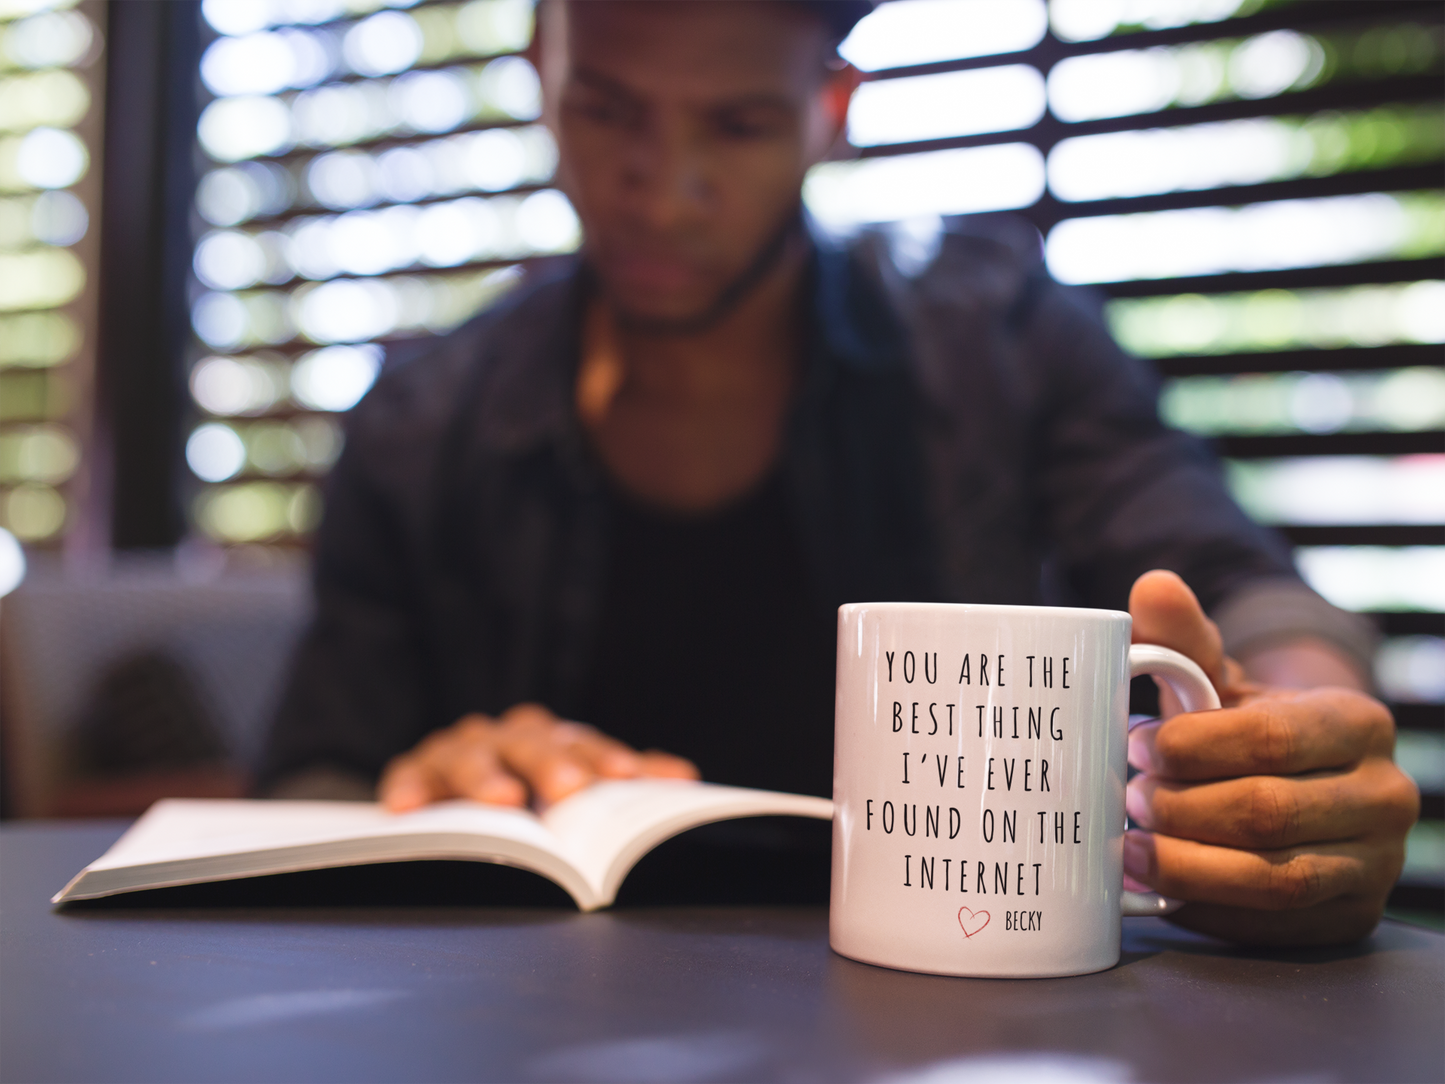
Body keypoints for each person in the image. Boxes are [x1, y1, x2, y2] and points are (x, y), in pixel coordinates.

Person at [260, 0, 1418, 945]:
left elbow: (1238, 587)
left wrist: (1288, 740)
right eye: (606, 111)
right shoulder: (420, 423)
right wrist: (416, 797)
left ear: (829, 112)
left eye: (737, 125)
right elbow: (311, 775)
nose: (662, 189)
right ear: (540, 71)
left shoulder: (996, 339)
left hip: (948, 1011)